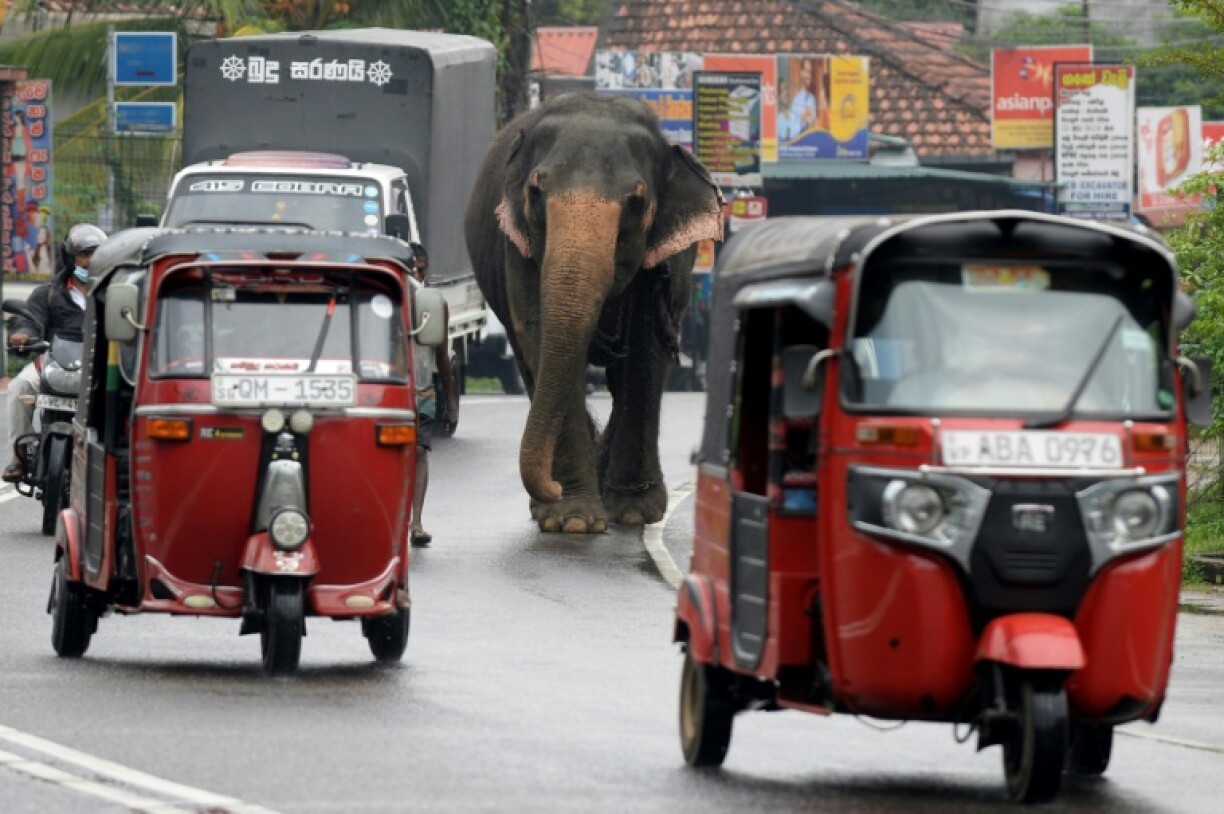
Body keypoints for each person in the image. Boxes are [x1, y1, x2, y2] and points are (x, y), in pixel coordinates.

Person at [3, 223, 107, 483]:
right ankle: (20, 455)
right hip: (53, 363)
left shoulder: (114, 293)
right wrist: (23, 334)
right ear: (70, 259)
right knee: (20, 386)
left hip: (101, 366)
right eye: (83, 254)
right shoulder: (48, 293)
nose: (90, 260)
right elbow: (30, 319)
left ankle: (116, 458)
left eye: (95, 253)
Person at [408, 241, 457, 546]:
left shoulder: (435, 305)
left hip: (422, 390)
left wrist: (451, 403)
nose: (417, 276)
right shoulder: (382, 298)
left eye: (422, 270)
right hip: (389, 388)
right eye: (412, 270)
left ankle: (417, 522)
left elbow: (441, 356)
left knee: (419, 453)